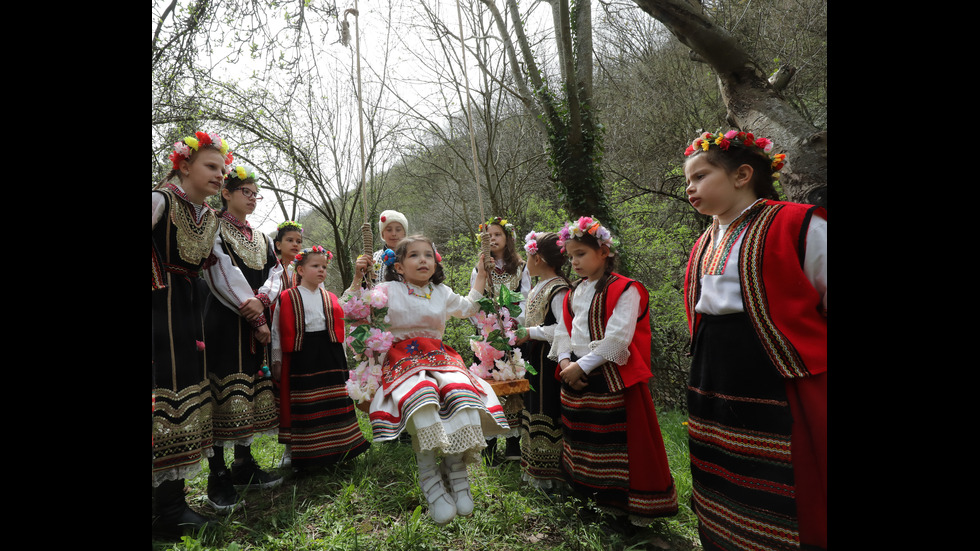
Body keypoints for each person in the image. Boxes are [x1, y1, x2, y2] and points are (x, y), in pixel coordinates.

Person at [681, 130, 826, 550]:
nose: (690, 188)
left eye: (701, 176)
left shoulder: (796, 222)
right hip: (714, 371)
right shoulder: (704, 241)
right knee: (724, 467)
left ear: (743, 174)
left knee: (787, 474)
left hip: (777, 371)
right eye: (687, 180)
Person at [349, 236, 510, 526]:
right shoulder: (386, 289)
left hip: (440, 356)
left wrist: (483, 274)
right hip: (402, 359)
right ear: (398, 266)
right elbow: (350, 310)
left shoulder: (441, 291)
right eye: (414, 256)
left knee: (465, 396)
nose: (423, 260)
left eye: (428, 255)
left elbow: (469, 308)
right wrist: (359, 278)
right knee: (420, 399)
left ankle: (455, 469)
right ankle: (429, 477)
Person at [551, 216, 679, 528]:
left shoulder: (626, 289)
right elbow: (564, 331)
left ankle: (626, 508)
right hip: (578, 379)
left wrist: (580, 365)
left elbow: (618, 339)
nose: (575, 262)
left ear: (604, 251)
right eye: (570, 256)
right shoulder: (575, 292)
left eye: (581, 253)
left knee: (622, 446)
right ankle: (593, 498)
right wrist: (566, 363)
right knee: (587, 444)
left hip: (611, 379)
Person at [152, 131, 234, 538]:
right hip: (157, 313)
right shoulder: (160, 201)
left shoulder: (208, 217)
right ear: (184, 166)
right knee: (162, 397)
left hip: (186, 312)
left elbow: (220, 270)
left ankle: (169, 506)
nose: (221, 174)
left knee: (182, 398)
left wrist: (251, 306)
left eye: (223, 168)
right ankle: (166, 511)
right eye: (211, 166)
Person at [201, 166, 284, 512]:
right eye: (245, 192)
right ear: (226, 193)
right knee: (223, 389)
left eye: (255, 193)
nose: (252, 198)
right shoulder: (213, 226)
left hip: (256, 320)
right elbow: (221, 271)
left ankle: (243, 464)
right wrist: (252, 311)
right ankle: (217, 475)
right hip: (224, 318)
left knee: (250, 384)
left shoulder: (263, 238)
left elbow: (276, 273)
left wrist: (263, 302)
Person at [270, 246, 371, 473]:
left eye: (324, 267)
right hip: (301, 356)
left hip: (330, 355)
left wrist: (343, 358)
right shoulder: (287, 297)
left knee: (333, 401)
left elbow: (340, 331)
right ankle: (297, 451)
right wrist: (276, 359)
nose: (321, 270)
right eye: (315, 266)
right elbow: (277, 330)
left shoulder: (331, 297)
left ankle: (340, 447)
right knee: (303, 404)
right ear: (301, 270)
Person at [470, 217, 530, 463]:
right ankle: (489, 447)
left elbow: (526, 298)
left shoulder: (521, 266)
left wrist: (517, 326)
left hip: (513, 335)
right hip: (488, 339)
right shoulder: (480, 267)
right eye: (488, 235)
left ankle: (514, 446)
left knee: (514, 388)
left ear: (508, 238)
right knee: (488, 387)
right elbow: (473, 300)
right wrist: (484, 328)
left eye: (497, 234)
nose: (493, 239)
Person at [514, 231, 570, 492]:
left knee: (546, 407)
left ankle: (552, 474)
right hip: (533, 356)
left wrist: (531, 333)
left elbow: (564, 329)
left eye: (528, 255)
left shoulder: (559, 289)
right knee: (533, 405)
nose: (526, 261)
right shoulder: (539, 286)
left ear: (538, 257)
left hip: (549, 358)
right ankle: (535, 468)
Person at [371, 210, 408, 282]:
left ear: (404, 233)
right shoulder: (374, 258)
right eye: (389, 230)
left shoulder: (413, 256)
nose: (394, 234)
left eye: (398, 230)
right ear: (382, 234)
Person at [272, 220, 304, 294]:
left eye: (298, 241)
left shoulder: (307, 268)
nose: (295, 244)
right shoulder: (273, 269)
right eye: (290, 240)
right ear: (278, 245)